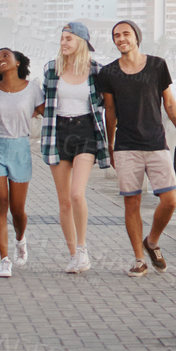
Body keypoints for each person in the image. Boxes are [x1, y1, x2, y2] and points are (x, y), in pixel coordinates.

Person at [98, 20, 176, 277]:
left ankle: (151, 241)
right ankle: (139, 258)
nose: (121, 39)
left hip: (155, 143)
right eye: (116, 35)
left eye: (126, 34)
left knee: (170, 200)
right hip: (126, 146)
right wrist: (109, 144)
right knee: (132, 203)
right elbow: (109, 111)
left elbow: (170, 103)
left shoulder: (157, 65)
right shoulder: (108, 73)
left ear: (136, 37)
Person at [39, 21, 109, 274]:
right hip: (58, 133)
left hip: (86, 133)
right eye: (62, 38)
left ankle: (82, 249)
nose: (64, 42)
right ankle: (73, 255)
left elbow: (110, 102)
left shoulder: (96, 71)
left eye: (69, 38)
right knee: (64, 201)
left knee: (77, 194)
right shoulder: (51, 69)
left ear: (81, 42)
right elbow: (42, 102)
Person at [0, 48, 42, 278]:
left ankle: (20, 239)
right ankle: (4, 259)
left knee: (17, 209)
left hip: (20, 149)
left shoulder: (32, 89)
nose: (0, 59)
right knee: (1, 203)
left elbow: (46, 113)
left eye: (5, 55)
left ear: (18, 62)